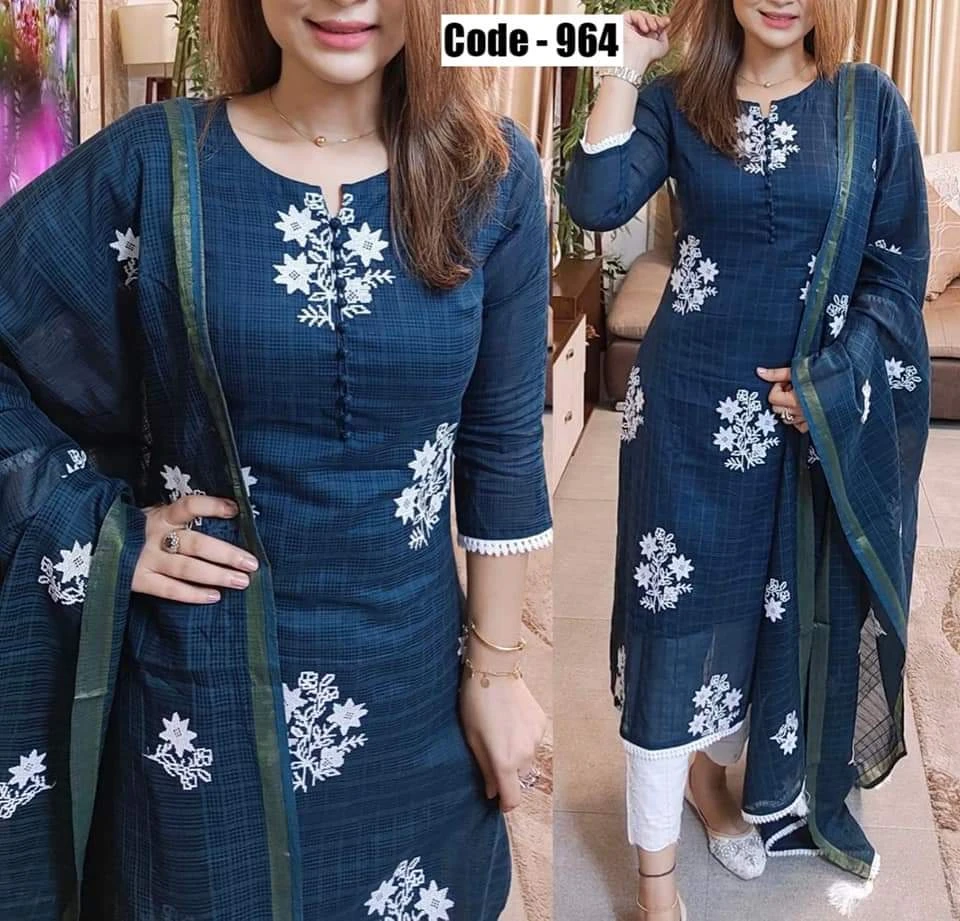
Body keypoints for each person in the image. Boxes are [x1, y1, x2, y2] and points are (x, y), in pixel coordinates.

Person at [0, 1, 553, 918]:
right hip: (202, 706)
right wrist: (99, 528)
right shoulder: (155, 165)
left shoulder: (489, 175)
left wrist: (495, 673)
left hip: (415, 693)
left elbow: (500, 445)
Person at [564, 2, 930, 919]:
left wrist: (834, 380)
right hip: (683, 420)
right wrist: (623, 65)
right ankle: (654, 882)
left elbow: (895, 271)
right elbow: (595, 203)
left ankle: (714, 778)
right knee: (673, 629)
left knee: (772, 618)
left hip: (809, 432)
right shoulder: (681, 100)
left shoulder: (865, 104)